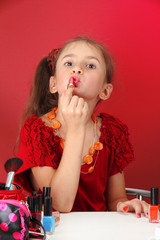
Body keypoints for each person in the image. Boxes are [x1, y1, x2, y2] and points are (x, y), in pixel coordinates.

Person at [15, 36, 148, 216]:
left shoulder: (112, 131)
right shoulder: (36, 131)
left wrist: (125, 205)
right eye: (69, 63)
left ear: (105, 90)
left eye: (90, 66)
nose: (77, 69)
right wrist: (76, 129)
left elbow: (116, 199)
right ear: (53, 84)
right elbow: (60, 203)